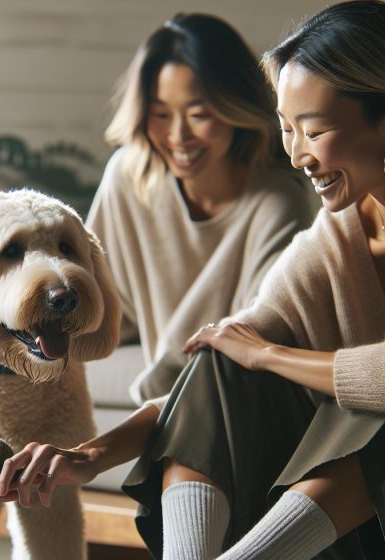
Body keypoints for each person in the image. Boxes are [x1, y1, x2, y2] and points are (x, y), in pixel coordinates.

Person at [0, 2, 385, 560]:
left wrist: (270, 355)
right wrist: (93, 453)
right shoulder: (339, 234)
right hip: (381, 531)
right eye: (287, 129)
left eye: (316, 130)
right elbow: (225, 362)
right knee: (225, 358)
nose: (298, 155)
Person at [86, 13, 316, 405]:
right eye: (160, 114)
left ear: (235, 108)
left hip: (231, 392)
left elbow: (256, 332)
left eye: (198, 115)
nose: (178, 136)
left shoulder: (277, 201)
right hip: (166, 381)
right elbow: (96, 300)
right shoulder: (128, 175)